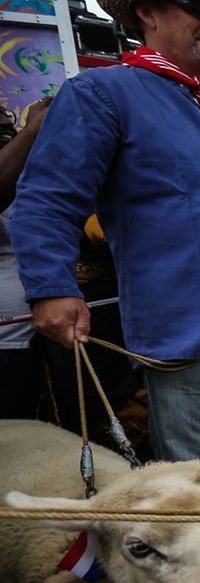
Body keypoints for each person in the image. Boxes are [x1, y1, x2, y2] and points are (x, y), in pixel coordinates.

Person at [11, 0, 200, 461]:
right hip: (181, 339)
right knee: (192, 502)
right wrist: (51, 287)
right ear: (147, 11)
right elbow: (48, 198)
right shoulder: (101, 92)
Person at [0, 96, 50, 420]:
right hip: (6, 345)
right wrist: (30, 134)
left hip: (46, 339)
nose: (6, 121)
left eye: (4, 113)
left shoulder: (28, 167)